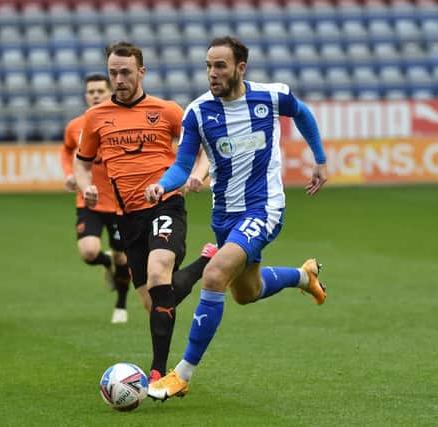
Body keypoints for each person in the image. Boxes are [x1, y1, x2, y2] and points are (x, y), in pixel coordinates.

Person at [145, 36, 328, 400]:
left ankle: (181, 374)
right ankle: (303, 276)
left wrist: (319, 159)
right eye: (209, 66)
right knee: (247, 292)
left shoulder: (271, 96)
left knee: (214, 275)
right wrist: (162, 185)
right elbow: (183, 165)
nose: (212, 73)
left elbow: (304, 113)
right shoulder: (197, 112)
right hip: (224, 214)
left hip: (264, 207)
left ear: (240, 68)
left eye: (220, 66)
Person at [75, 41, 217, 382]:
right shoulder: (95, 118)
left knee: (158, 274)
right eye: (113, 72)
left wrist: (197, 177)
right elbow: (81, 164)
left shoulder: (167, 111)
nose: (119, 79)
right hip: (128, 216)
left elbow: (203, 149)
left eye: (125, 72)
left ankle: (158, 375)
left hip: (165, 204)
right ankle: (204, 263)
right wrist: (86, 187)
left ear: (141, 72)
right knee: (156, 303)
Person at [60, 73, 131, 324]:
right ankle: (106, 260)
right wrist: (71, 174)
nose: (95, 95)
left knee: (124, 259)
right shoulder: (75, 126)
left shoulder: (122, 122)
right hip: (89, 201)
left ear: (109, 92)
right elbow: (67, 150)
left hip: (119, 202)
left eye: (100, 91)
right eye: (91, 92)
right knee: (89, 252)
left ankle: (121, 306)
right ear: (85, 96)